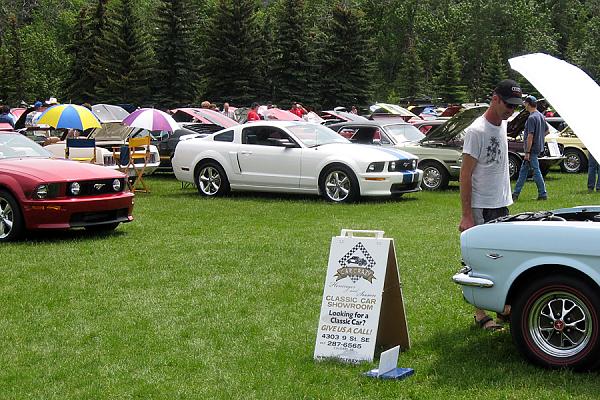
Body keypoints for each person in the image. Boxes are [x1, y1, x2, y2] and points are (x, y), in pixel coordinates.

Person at [459, 79, 521, 330]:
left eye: (516, 106)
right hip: (481, 206)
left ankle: (503, 309)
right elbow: (465, 175)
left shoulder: (503, 124)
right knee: (479, 259)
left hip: (501, 203)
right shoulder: (477, 131)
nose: (512, 110)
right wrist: (466, 215)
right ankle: (480, 314)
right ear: (495, 99)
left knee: (502, 257)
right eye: (508, 105)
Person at [512, 95, 548, 201]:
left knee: (536, 171)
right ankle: (515, 194)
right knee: (523, 171)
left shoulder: (532, 118)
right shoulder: (541, 116)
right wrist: (540, 139)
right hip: (537, 147)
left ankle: (543, 194)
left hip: (531, 150)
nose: (524, 105)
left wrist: (527, 151)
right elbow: (546, 131)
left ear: (528, 104)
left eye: (525, 103)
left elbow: (530, 135)